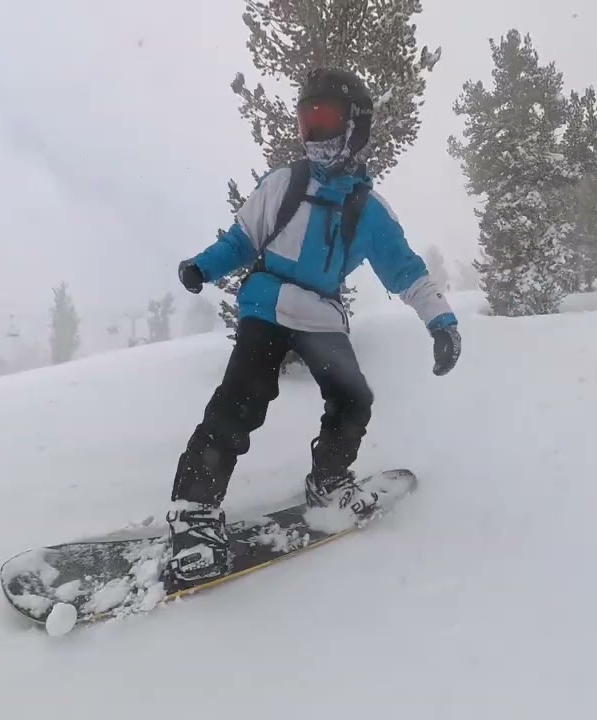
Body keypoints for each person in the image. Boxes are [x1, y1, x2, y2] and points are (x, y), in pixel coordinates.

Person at [164, 67, 462, 585]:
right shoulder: (283, 184)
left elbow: (406, 271)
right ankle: (194, 512)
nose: (314, 133)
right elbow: (241, 239)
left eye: (325, 119)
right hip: (266, 305)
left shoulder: (367, 209)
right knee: (241, 402)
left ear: (355, 127)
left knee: (354, 399)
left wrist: (441, 319)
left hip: (321, 317)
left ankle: (329, 482)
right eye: (307, 120)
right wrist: (202, 267)